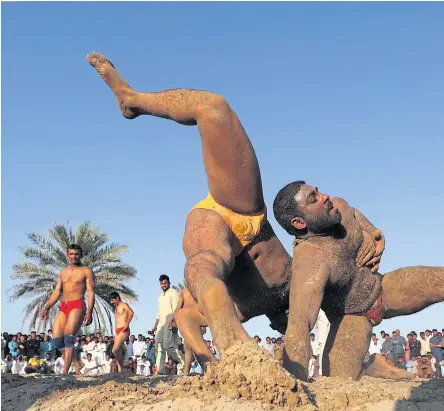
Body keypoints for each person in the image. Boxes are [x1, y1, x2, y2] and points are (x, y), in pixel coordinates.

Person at [87, 52, 301, 375]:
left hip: (214, 225)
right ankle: (132, 99)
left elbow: (185, 317)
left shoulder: (246, 309)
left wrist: (206, 359)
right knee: (213, 107)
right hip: (245, 212)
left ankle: (229, 348)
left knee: (206, 266)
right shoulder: (297, 276)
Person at [273, 182, 444, 381]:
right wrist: (294, 384)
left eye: (319, 190)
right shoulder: (309, 262)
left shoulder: (340, 207)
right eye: (313, 198)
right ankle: (372, 366)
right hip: (351, 316)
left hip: (385, 289)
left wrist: (374, 236)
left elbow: (366, 225)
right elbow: (299, 324)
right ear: (299, 223)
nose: (324, 196)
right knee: (339, 381)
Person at [40, 244, 95, 375]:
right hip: (64, 306)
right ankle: (77, 363)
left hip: (78, 304)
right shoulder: (63, 272)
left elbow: (91, 292)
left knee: (68, 336)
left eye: (76, 254)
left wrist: (89, 311)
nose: (74, 256)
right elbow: (57, 291)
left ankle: (64, 372)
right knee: (57, 339)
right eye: (71, 254)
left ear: (81, 255)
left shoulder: (86, 271)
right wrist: (46, 307)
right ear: (67, 255)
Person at [110, 292, 134, 372]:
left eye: (113, 300)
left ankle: (122, 366)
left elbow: (131, 312)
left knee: (114, 350)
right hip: (117, 330)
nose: (112, 302)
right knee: (118, 350)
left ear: (117, 298)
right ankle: (121, 368)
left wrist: (127, 324)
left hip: (124, 329)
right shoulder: (116, 308)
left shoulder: (124, 304)